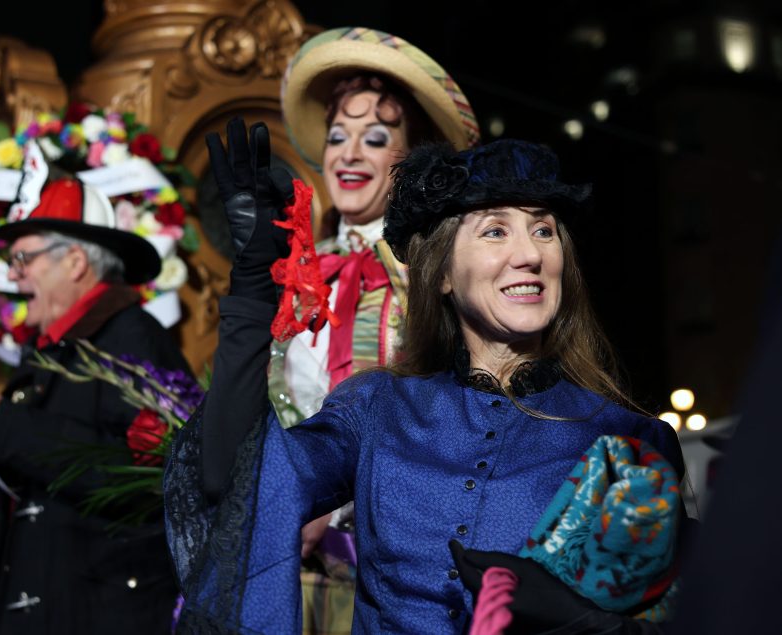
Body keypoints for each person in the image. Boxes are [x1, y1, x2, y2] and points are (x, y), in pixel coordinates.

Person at [164, 129, 687, 633]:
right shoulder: (376, 408)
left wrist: (586, 625)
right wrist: (255, 286)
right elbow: (238, 478)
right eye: (495, 230)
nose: (530, 253)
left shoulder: (626, 443)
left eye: (544, 229)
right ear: (440, 274)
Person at [274, 27, 479, 632]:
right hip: (297, 563)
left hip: (395, 562)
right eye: (338, 137)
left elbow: (438, 413)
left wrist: (327, 502)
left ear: (411, 157)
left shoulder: (430, 276)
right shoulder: (300, 277)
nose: (348, 154)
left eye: (375, 138)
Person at [0, 170, 191, 635]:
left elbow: (154, 476)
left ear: (74, 262)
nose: (13, 275)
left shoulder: (133, 337)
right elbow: (47, 464)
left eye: (23, 259)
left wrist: (3, 428)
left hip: (98, 611)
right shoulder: (51, 347)